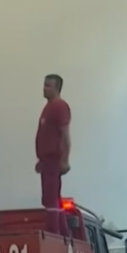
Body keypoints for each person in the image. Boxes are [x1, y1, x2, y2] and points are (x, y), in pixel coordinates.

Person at [35, 74, 72, 236]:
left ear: (57, 88)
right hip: (46, 160)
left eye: (49, 85)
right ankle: (63, 230)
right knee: (51, 197)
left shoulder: (59, 107)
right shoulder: (48, 107)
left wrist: (64, 159)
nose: (45, 88)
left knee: (51, 197)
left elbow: (65, 135)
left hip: (53, 159)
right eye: (44, 85)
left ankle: (54, 231)